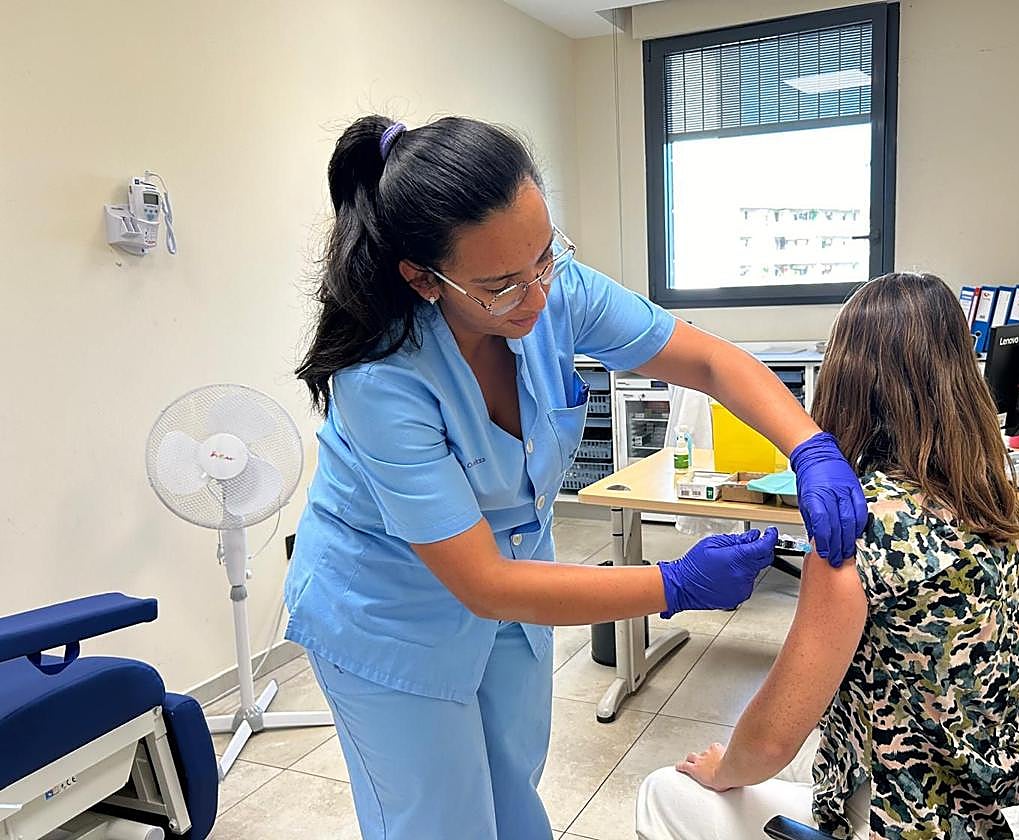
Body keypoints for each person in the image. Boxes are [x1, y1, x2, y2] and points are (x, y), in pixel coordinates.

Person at [285, 114, 868, 840]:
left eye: (545, 257)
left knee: (514, 792)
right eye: (501, 285)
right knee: (439, 819)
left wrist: (808, 445)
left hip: (512, 590)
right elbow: (483, 583)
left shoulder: (551, 287)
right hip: (389, 610)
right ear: (424, 280)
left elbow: (712, 361)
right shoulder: (381, 377)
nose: (536, 297)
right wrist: (673, 585)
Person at [637, 272, 1019, 840]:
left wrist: (723, 768)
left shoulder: (856, 531)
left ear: (844, 380)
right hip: (993, 813)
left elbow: (770, 743)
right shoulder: (999, 505)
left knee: (666, 791)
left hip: (897, 822)